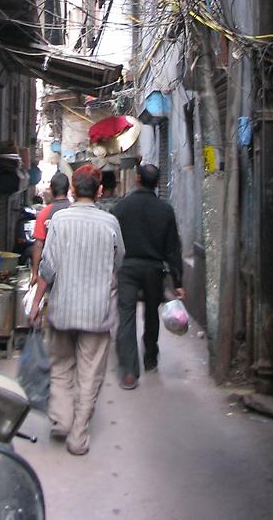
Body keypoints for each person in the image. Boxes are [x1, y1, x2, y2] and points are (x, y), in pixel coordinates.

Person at [28, 164, 124, 456]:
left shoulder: (59, 222)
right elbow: (118, 262)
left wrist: (35, 303)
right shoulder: (110, 224)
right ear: (99, 191)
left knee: (60, 366)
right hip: (97, 313)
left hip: (62, 309)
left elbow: (47, 267)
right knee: (89, 374)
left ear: (71, 190)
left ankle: (60, 419)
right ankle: (78, 436)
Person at [112, 163, 185, 389]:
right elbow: (173, 248)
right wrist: (178, 281)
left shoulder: (121, 207)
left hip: (128, 268)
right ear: (157, 183)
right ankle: (150, 357)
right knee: (152, 312)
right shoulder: (165, 210)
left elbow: (112, 242)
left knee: (126, 316)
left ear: (137, 179)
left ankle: (129, 372)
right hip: (154, 269)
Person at [30, 172, 71, 284]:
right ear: (68, 189)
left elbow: (38, 245)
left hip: (50, 273)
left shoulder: (44, 214)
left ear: (51, 190)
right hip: (72, 270)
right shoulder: (75, 211)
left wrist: (34, 273)